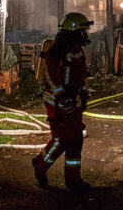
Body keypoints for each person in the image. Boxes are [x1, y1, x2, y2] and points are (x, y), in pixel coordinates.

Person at [32, 12, 93, 193]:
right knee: (61, 140)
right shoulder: (57, 51)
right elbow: (51, 78)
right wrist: (63, 99)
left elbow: (80, 75)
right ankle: (41, 164)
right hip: (59, 103)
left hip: (72, 101)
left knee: (75, 140)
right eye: (82, 31)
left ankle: (73, 180)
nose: (85, 35)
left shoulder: (76, 49)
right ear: (72, 32)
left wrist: (83, 94)